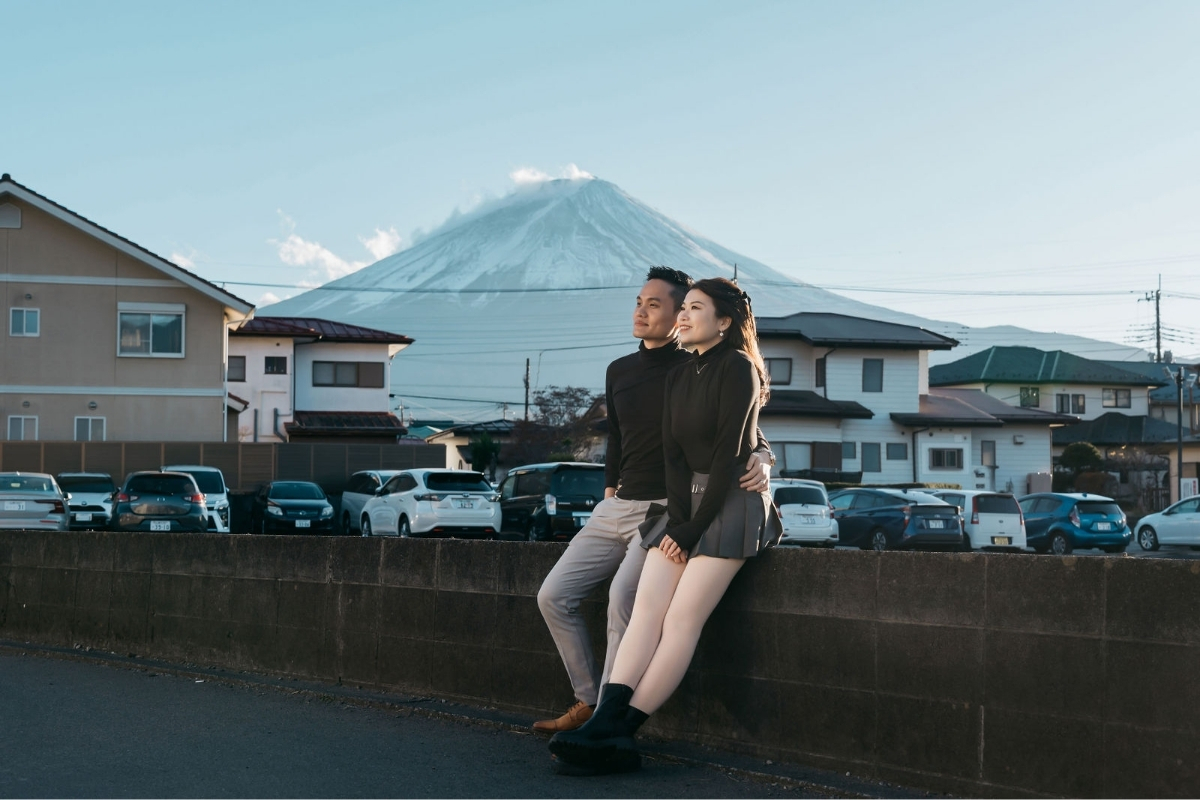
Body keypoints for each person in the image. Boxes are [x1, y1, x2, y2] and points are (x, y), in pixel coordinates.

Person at [548, 277, 781, 773]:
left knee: (678, 620)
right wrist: (676, 522)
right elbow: (673, 455)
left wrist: (692, 529)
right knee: (646, 607)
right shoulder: (679, 373)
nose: (682, 315)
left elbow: (731, 452)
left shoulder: (737, 367)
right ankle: (603, 719)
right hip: (679, 508)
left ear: (723, 322)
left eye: (693, 307)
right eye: (685, 307)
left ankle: (619, 731)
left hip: (729, 506)